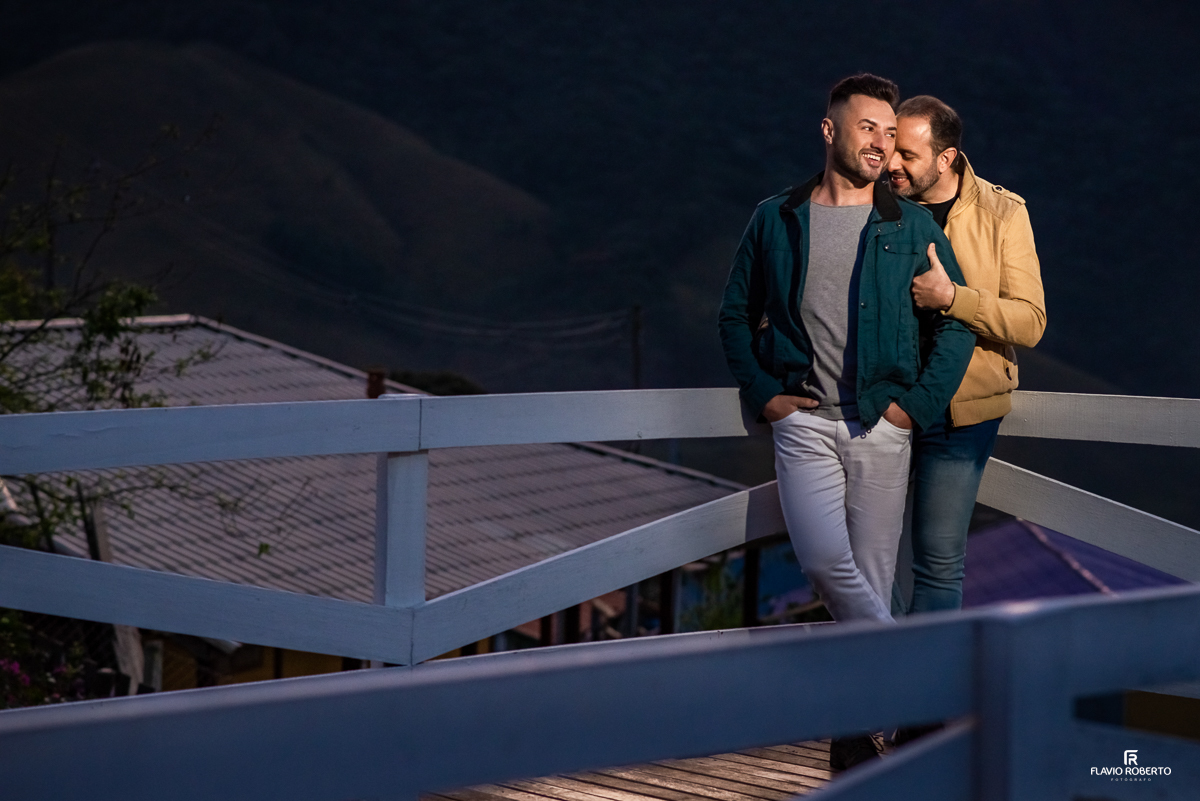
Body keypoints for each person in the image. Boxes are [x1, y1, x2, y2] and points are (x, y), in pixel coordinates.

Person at [717, 74, 975, 771]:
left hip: (882, 430)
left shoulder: (910, 224)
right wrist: (765, 391)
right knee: (826, 561)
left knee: (868, 570)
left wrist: (910, 409)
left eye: (889, 133)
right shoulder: (776, 217)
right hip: (802, 422)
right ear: (829, 131)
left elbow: (955, 329)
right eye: (867, 128)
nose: (880, 144)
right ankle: (909, 684)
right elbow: (735, 314)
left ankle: (860, 748)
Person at [886, 96, 1046, 624]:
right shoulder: (872, 204)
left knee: (937, 562)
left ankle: (926, 696)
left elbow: (1030, 321)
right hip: (879, 406)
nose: (892, 164)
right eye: (890, 149)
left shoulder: (1004, 213)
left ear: (946, 157)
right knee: (865, 559)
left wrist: (953, 298)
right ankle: (881, 688)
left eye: (907, 154)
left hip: (961, 412)